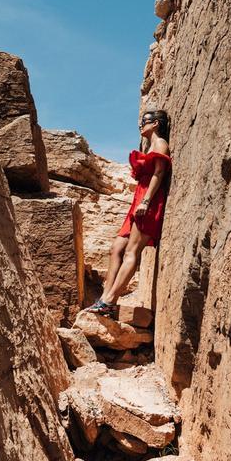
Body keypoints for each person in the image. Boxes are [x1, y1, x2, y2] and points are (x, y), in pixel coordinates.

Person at [86, 109, 171, 316]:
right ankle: (105, 298)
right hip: (138, 201)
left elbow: (159, 173)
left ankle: (109, 301)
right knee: (116, 248)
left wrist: (146, 201)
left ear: (156, 124)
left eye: (145, 121)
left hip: (148, 201)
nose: (141, 125)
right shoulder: (149, 145)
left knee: (132, 252)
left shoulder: (160, 144)